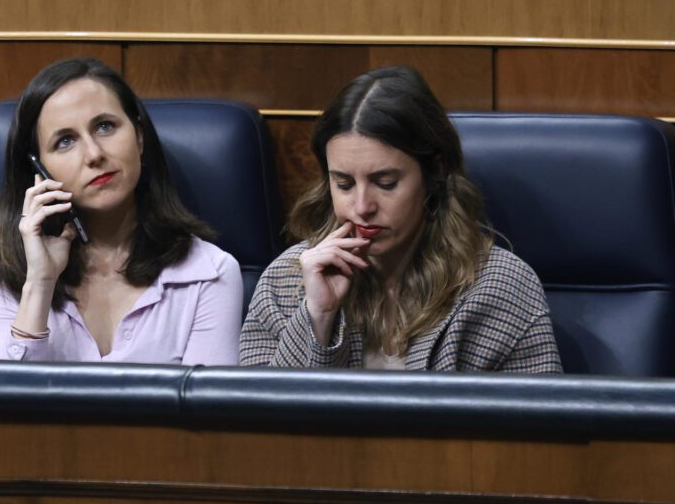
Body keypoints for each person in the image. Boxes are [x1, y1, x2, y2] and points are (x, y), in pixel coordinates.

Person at [239, 66, 562, 372]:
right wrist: (317, 315)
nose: (362, 206)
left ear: (436, 170)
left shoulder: (500, 286)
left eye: (385, 183)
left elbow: (541, 426)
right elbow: (254, 421)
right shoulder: (287, 279)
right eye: (344, 184)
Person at [0, 58, 242, 364]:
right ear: (40, 171)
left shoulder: (208, 274)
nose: (94, 154)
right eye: (65, 141)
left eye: (105, 127)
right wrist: (40, 283)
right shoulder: (12, 276)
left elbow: (207, 410)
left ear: (139, 138)